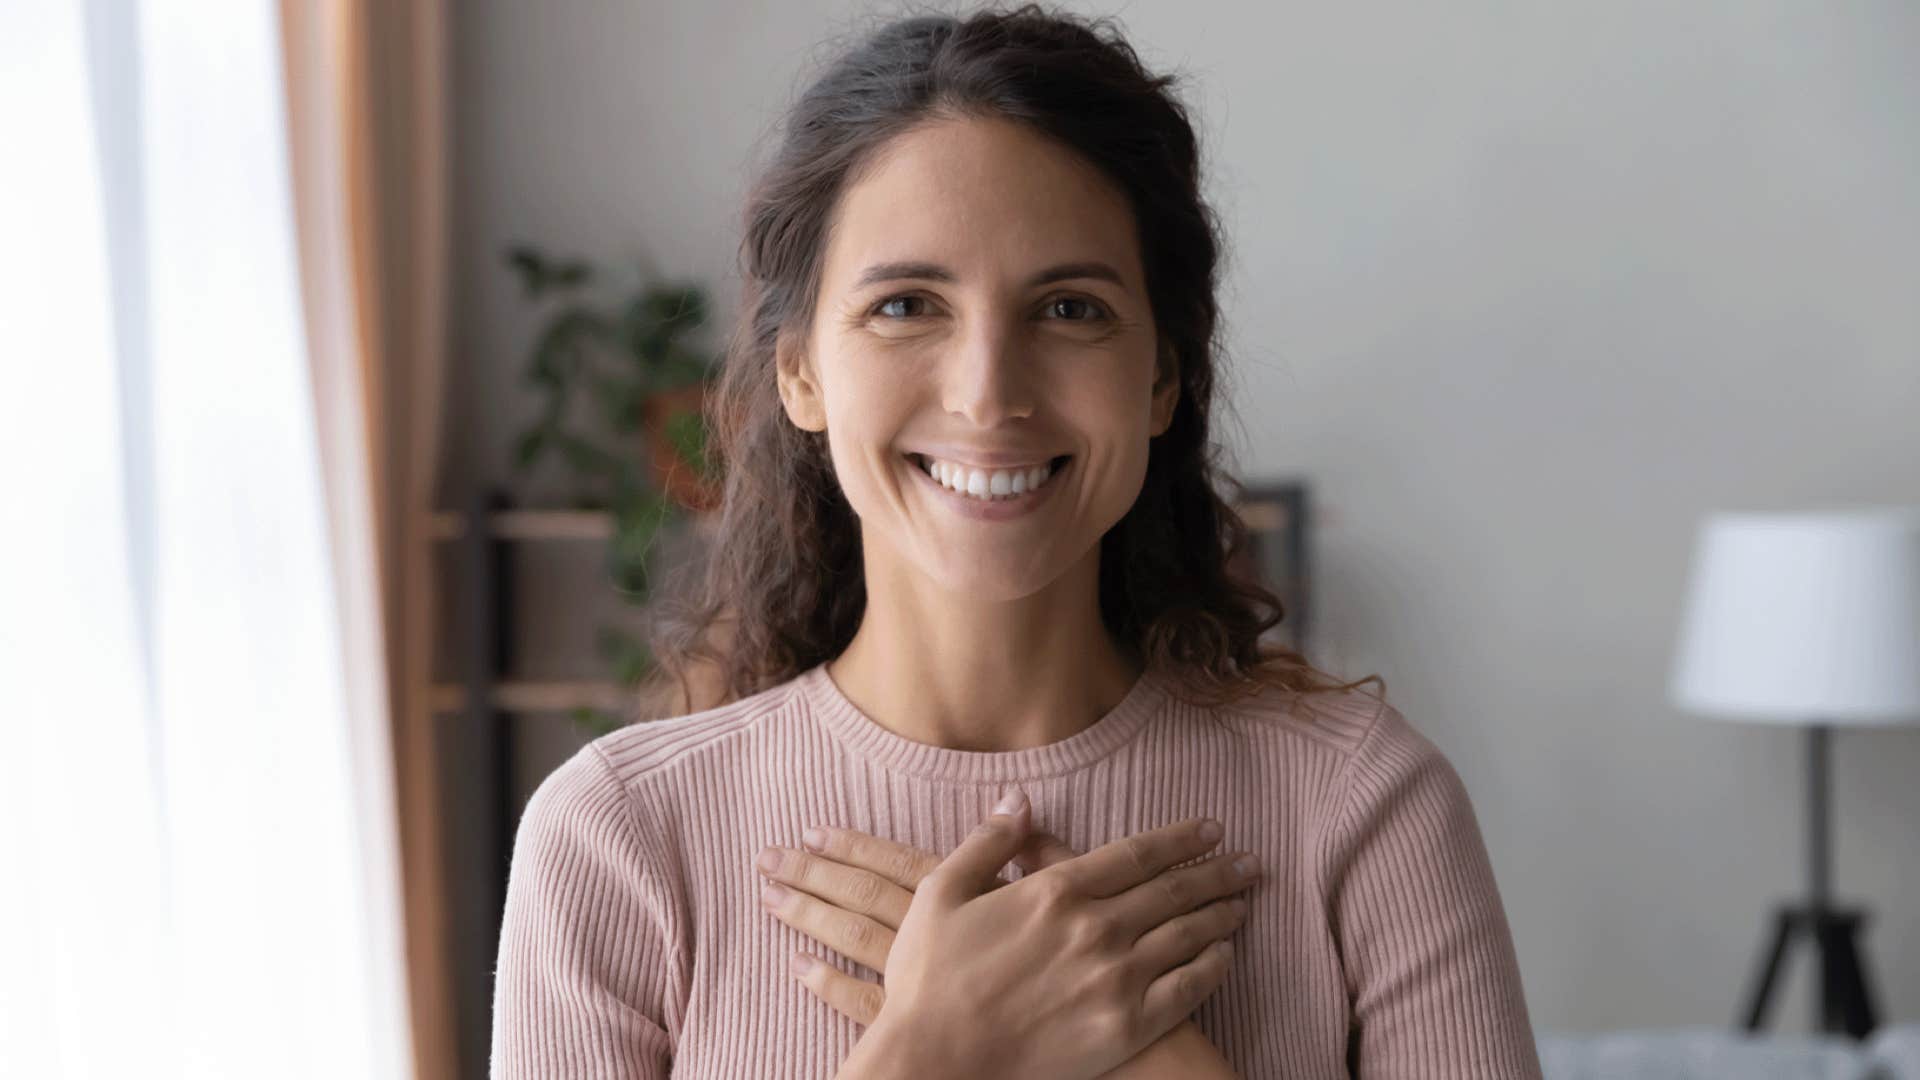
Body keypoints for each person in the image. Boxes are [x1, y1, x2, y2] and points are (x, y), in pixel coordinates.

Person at [491, 6, 1542, 1077]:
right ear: (800, 371)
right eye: (906, 305)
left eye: (1071, 310)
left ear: (1164, 379)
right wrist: (933, 1053)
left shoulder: (1364, 808)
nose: (989, 394)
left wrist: (1156, 1056)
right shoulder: (620, 838)